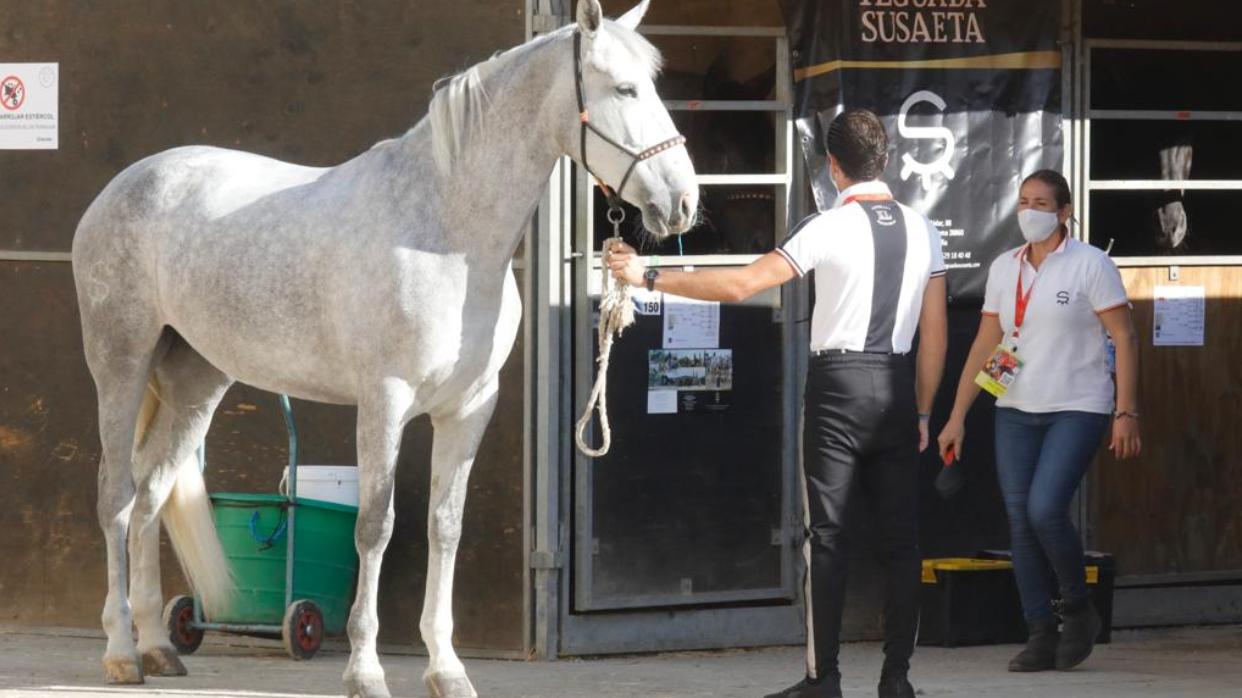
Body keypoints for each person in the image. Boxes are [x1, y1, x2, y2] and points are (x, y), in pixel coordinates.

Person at [608, 109, 947, 698]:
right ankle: (897, 679)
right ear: (885, 159)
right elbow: (936, 332)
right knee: (902, 541)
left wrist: (647, 275)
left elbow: (742, 285)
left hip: (839, 386)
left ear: (833, 167)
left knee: (829, 539)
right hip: (895, 385)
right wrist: (921, 412)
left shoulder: (826, 226)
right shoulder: (924, 230)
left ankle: (825, 679)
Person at [937, 169, 1141, 673]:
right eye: (1024, 200)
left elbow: (1126, 338)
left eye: (1042, 202)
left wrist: (1126, 410)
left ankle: (1076, 607)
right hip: (1015, 408)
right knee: (1019, 521)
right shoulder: (1005, 267)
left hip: (1079, 404)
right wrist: (957, 414)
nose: (1030, 210)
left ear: (1064, 212)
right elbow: (987, 344)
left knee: (1045, 508)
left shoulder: (1091, 264)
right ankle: (1039, 632)